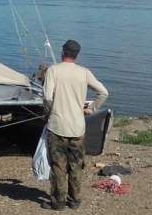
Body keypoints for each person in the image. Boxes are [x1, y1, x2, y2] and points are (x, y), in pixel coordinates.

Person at [41, 39, 108, 211]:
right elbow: (103, 92)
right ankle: (74, 200)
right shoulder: (84, 72)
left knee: (58, 165)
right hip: (77, 128)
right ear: (76, 55)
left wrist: (49, 116)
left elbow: (47, 98)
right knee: (76, 164)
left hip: (57, 126)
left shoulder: (53, 71)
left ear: (62, 52)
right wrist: (91, 108)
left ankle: (58, 201)